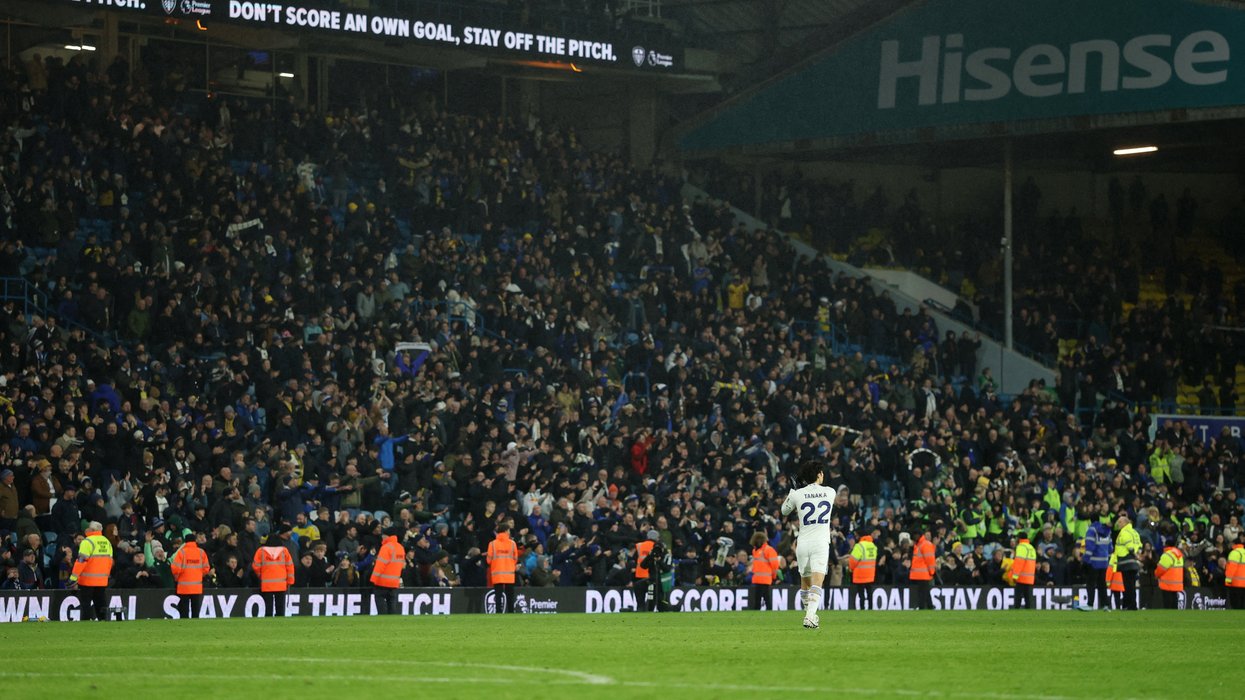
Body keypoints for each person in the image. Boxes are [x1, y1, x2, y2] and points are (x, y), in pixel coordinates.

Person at [781, 459, 835, 629]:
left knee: (805, 581)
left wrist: (794, 490)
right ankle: (810, 616)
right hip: (820, 542)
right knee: (817, 581)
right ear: (819, 474)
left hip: (802, 543)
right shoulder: (830, 492)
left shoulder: (798, 494)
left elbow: (784, 511)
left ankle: (809, 616)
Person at [70, 521, 114, 621]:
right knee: (101, 604)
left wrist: (73, 577)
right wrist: (105, 575)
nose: (87, 529)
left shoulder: (87, 542)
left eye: (89, 528)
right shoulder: (107, 542)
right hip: (102, 580)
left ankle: (85, 624)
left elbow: (81, 561)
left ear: (92, 530)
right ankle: (104, 622)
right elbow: (110, 561)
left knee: (85, 604)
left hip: (87, 580)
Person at [252, 533, 295, 617]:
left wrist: (261, 575)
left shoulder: (261, 551)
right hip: (281, 584)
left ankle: (268, 626)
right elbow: (290, 567)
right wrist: (290, 581)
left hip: (267, 584)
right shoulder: (284, 551)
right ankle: (280, 626)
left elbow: (255, 566)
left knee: (268, 609)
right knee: (280, 609)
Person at [171, 531, 211, 619]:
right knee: (195, 611)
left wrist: (177, 577)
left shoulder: (182, 553)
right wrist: (199, 575)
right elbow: (206, 568)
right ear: (195, 541)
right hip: (197, 587)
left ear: (185, 542)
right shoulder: (201, 552)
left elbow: (175, 568)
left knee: (184, 612)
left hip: (183, 587)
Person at [371, 527, 406, 614]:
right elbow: (401, 565)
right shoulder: (400, 548)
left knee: (382, 611)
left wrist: (373, 579)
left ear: (386, 536)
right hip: (394, 584)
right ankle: (393, 626)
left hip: (381, 583)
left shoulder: (386, 547)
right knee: (392, 609)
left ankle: (382, 625)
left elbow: (380, 565)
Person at [486, 522, 517, 613]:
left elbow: (488, 560)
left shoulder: (492, 544)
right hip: (509, 574)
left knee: (498, 596)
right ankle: (511, 612)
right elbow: (515, 559)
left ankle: (498, 613)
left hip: (497, 574)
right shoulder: (512, 544)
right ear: (506, 531)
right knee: (510, 596)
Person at [1082, 518, 1113, 609]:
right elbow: (1110, 548)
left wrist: (1086, 560)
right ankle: (1105, 605)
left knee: (1091, 583)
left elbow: (1090, 547)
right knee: (1102, 584)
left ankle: (1090, 604)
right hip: (1104, 562)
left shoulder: (1091, 530)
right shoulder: (1107, 531)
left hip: (1093, 562)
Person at [1114, 516, 1143, 610]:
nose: (1118, 523)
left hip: (1126, 561)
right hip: (1133, 562)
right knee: (1132, 585)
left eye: (1120, 522)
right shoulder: (1134, 532)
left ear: (1125, 523)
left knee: (1128, 585)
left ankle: (1130, 605)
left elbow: (1129, 547)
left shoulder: (1124, 532)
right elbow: (1139, 545)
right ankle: (1131, 605)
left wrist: (1134, 554)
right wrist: (1138, 556)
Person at [748, 531, 779, 611]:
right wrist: (774, 576)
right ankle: (766, 612)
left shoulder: (767, 550)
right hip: (761, 579)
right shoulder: (756, 550)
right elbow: (775, 565)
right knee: (763, 598)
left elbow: (775, 564)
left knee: (762, 598)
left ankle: (761, 612)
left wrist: (774, 576)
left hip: (763, 579)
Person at [638, 529, 668, 611]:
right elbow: (643, 566)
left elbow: (667, 568)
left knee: (661, 605)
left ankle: (642, 607)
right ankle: (642, 607)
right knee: (639, 586)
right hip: (651, 579)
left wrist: (659, 561)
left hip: (662, 582)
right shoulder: (651, 555)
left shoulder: (665, 555)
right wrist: (649, 556)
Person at [848, 531, 878, 610]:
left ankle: (862, 608)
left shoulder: (859, 546)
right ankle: (870, 608)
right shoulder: (873, 546)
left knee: (861, 594)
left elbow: (853, 560)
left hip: (860, 574)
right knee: (869, 592)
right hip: (870, 574)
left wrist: (851, 568)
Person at [909, 526, 936, 610]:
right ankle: (930, 606)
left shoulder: (924, 544)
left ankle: (921, 607)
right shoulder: (920, 544)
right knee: (925, 591)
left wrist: (931, 572)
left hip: (923, 573)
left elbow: (930, 560)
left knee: (922, 592)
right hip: (921, 573)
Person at [1155, 544, 1184, 610]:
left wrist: (1156, 575)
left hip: (1167, 583)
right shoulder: (1179, 555)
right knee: (1174, 602)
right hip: (1176, 583)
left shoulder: (1167, 555)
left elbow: (1161, 569)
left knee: (1167, 603)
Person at [1012, 537, 1037, 609]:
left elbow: (1019, 562)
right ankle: (1029, 615)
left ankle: (1016, 613)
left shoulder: (1021, 547)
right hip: (1030, 578)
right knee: (1028, 599)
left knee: (1018, 598)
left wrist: (1015, 576)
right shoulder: (1031, 547)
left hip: (1021, 577)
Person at [1226, 540, 1245, 610]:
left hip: (1236, 583)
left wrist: (1228, 581)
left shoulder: (1234, 553)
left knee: (1236, 605)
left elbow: (1231, 568)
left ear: (1234, 544)